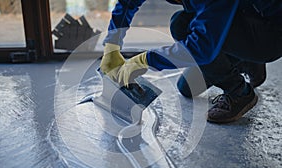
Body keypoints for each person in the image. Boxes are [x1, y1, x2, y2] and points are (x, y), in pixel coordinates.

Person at [100, 0, 282, 123]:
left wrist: (143, 60)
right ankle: (246, 61)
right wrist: (112, 45)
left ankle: (240, 92)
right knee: (186, 87)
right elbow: (127, 2)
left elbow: (201, 46)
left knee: (180, 24)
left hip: (271, 34)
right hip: (239, 17)